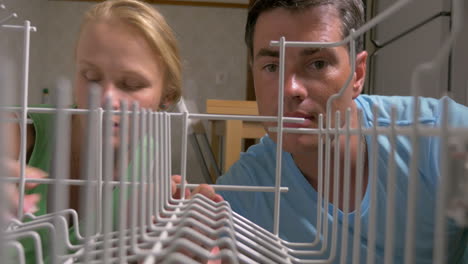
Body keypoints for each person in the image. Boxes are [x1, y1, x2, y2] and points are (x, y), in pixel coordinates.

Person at [216, 0, 468, 263]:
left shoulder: (441, 139)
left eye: (317, 64)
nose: (290, 89)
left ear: (357, 74)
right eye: (272, 67)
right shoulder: (246, 190)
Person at [3, 0, 221, 262]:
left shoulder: (152, 166)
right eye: (91, 76)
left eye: (130, 84)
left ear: (167, 97)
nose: (105, 97)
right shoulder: (20, 133)